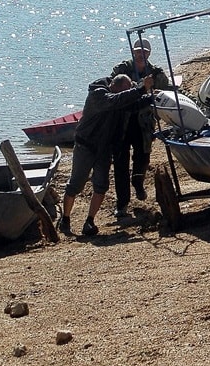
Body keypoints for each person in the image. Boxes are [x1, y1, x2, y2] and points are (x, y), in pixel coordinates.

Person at [60, 74, 154, 237]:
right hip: (85, 146)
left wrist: (150, 98)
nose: (126, 94)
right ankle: (65, 219)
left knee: (101, 185)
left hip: (104, 148)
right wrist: (140, 89)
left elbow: (130, 105)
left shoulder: (118, 99)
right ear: (115, 87)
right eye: (125, 90)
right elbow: (116, 101)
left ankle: (90, 221)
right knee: (76, 184)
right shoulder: (98, 96)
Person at [110, 39, 169, 218]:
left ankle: (138, 183)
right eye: (138, 51)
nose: (141, 55)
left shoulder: (155, 72)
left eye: (144, 52)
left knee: (143, 157)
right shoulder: (121, 70)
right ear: (133, 52)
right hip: (122, 123)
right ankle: (122, 204)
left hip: (144, 123)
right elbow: (113, 89)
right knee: (120, 164)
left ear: (149, 53)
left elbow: (164, 90)